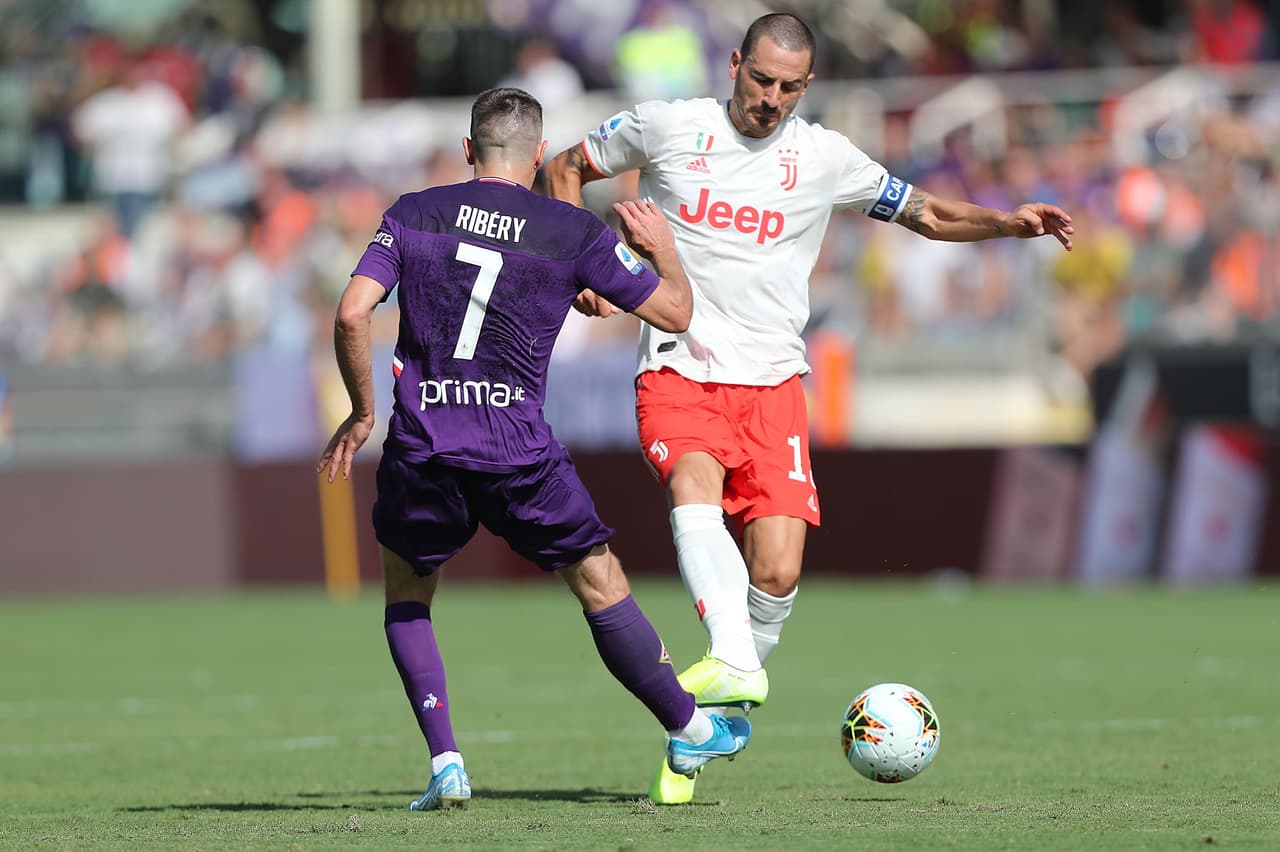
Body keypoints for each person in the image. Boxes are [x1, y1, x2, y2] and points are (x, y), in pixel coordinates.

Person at [544, 13, 1074, 805]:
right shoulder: (666, 126)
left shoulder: (823, 158)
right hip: (679, 365)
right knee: (693, 484)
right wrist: (581, 267)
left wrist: (1007, 223)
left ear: (809, 86)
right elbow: (561, 167)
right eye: (762, 80)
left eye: (791, 87)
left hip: (775, 384)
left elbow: (926, 212)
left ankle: (705, 727)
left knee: (780, 569)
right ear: (734, 64)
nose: (772, 98)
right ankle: (732, 659)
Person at [316, 87, 749, 812]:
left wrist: (363, 412)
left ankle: (447, 761)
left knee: (408, 597)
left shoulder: (414, 212)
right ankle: (688, 725)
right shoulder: (569, 230)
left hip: (423, 446)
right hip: (517, 450)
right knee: (600, 584)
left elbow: (353, 310)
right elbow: (674, 313)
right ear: (539, 154)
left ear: (467, 150)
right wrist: (664, 254)